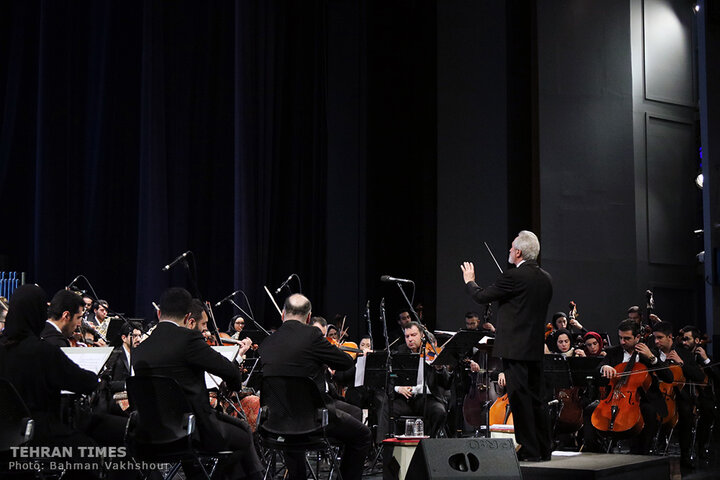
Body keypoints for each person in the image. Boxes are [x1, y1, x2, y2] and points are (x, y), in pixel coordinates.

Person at [132, 287, 261, 480]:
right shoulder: (188, 339)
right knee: (243, 435)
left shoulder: (140, 349)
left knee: (238, 427)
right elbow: (230, 371)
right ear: (187, 318)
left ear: (159, 313)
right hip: (194, 431)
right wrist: (233, 386)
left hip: (154, 431)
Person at [461, 230, 553, 462]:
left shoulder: (513, 277)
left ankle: (530, 451)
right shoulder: (546, 278)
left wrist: (470, 281)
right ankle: (543, 449)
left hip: (515, 349)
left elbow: (482, 296)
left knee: (520, 400)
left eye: (512, 248)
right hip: (534, 349)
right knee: (538, 400)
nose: (509, 251)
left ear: (519, 251)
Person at [259, 294, 371, 480]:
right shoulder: (313, 336)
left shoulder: (266, 342)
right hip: (314, 421)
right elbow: (345, 362)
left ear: (283, 314)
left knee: (291, 431)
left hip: (276, 421)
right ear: (309, 318)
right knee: (363, 435)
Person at [0, 285, 101, 477]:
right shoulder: (43, 352)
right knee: (91, 453)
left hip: (3, 438)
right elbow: (84, 383)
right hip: (40, 436)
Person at [597, 319, 671, 455]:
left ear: (638, 337)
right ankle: (595, 453)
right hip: (616, 398)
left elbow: (668, 377)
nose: (622, 342)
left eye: (627, 338)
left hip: (644, 400)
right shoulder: (614, 352)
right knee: (591, 410)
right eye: (620, 338)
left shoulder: (649, 352)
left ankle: (641, 454)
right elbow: (597, 369)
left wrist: (652, 358)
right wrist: (604, 367)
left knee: (648, 411)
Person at [382, 321, 452, 438]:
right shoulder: (400, 352)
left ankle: (430, 444)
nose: (410, 339)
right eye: (407, 336)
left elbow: (446, 383)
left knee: (439, 412)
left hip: (427, 398)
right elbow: (390, 377)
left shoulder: (431, 352)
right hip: (407, 399)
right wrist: (398, 388)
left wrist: (439, 369)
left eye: (413, 335)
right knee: (386, 406)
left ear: (422, 336)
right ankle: (384, 445)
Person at [652, 321, 705, 469]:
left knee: (686, 412)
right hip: (658, 394)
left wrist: (682, 363)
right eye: (654, 338)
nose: (656, 341)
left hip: (679, 396)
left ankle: (685, 454)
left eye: (660, 338)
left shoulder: (684, 354)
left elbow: (699, 377)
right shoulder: (653, 354)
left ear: (670, 337)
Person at [678, 325, 718, 460]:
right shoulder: (680, 356)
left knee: (708, 410)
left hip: (702, 396)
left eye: (687, 339)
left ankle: (701, 447)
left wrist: (706, 359)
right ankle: (685, 450)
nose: (684, 343)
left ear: (696, 341)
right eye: (682, 340)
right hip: (684, 395)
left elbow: (717, 376)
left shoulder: (706, 358)